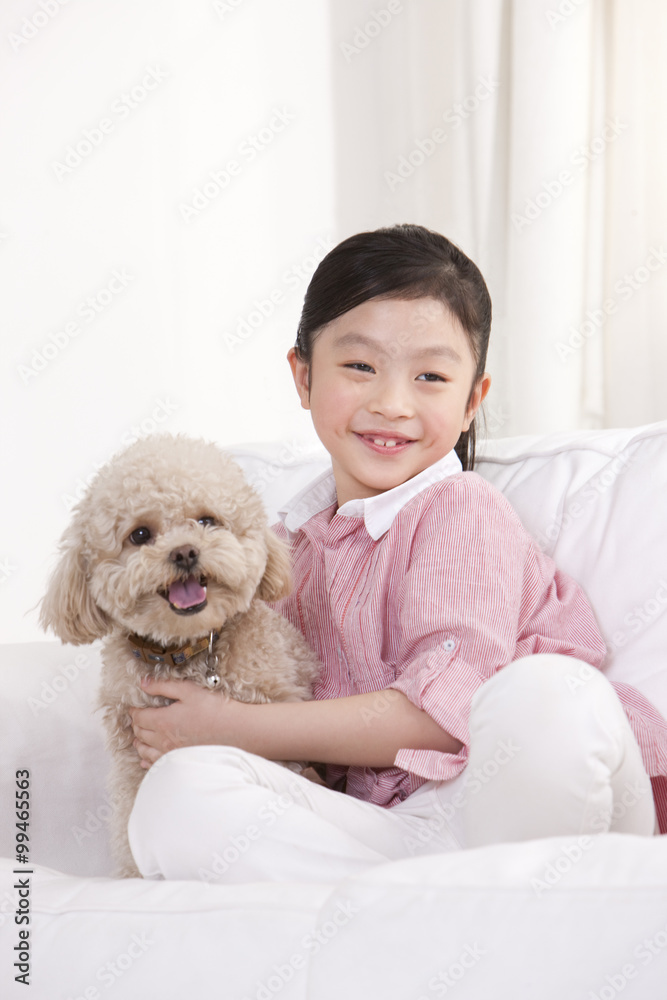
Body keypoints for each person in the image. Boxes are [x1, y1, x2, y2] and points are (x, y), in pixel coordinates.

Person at [128, 224, 662, 884]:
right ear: (302, 375)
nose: (390, 403)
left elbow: (442, 717)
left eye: (430, 376)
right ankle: (438, 922)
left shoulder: (459, 508)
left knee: (541, 694)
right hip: (400, 842)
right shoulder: (282, 547)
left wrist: (235, 727)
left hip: (523, 800)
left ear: (472, 401)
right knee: (180, 793)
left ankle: (497, 909)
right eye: (359, 366)